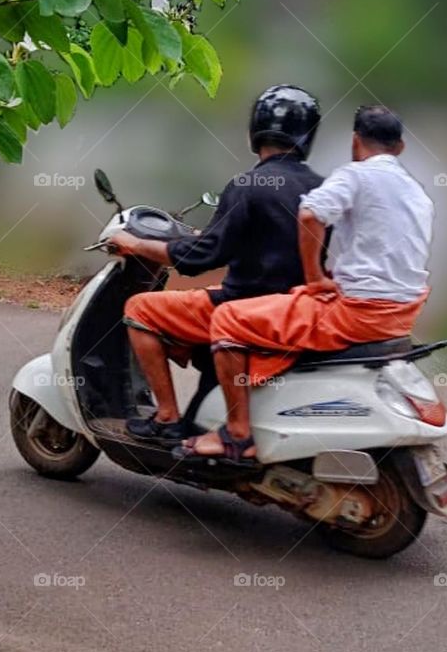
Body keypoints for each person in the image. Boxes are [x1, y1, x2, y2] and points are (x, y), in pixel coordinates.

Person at [176, 105, 433, 463]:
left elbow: (310, 213)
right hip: (401, 315)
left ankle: (236, 436)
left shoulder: (355, 175)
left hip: (358, 313)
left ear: (355, 141)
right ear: (400, 147)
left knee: (228, 318)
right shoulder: (417, 192)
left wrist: (314, 278)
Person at [110, 85, 323, 442]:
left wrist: (135, 244)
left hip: (243, 307)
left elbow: (201, 258)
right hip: (295, 312)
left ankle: (165, 416)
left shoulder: (248, 185)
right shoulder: (324, 188)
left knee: (139, 309)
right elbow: (268, 240)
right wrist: (204, 236)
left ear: (255, 130)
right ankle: (202, 412)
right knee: (197, 306)